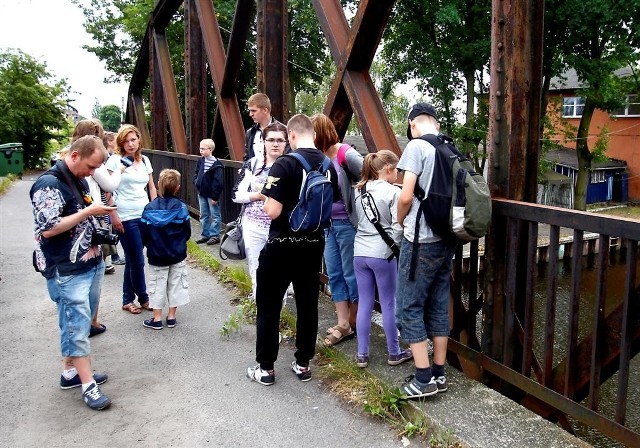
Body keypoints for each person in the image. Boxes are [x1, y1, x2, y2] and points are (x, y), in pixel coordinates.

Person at [246, 114, 339, 386]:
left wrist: (265, 197)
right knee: (308, 305)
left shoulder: (285, 164)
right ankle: (302, 364)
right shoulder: (327, 165)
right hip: (313, 245)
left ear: (293, 136)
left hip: (281, 245)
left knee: (269, 305)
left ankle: (265, 369)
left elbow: (272, 211)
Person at [30, 135, 114, 410]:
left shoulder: (74, 178)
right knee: (76, 323)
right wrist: (89, 211)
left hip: (87, 261)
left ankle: (70, 373)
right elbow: (49, 228)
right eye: (90, 167)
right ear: (75, 155)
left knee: (78, 319)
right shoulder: (49, 184)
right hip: (66, 266)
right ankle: (88, 384)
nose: (92, 174)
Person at [396, 103, 456, 398]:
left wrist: (399, 218)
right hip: (448, 238)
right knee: (437, 304)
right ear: (436, 122)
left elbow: (406, 195)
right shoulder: (450, 147)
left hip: (421, 241)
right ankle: (439, 373)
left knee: (410, 305)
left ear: (413, 125)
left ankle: (423, 380)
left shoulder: (417, 146)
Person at [353, 150, 412, 368]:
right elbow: (398, 228)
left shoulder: (359, 189)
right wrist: (395, 247)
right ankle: (394, 352)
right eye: (397, 169)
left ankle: (362, 354)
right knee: (388, 303)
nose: (398, 174)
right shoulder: (392, 192)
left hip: (359, 253)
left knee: (365, 302)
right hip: (382, 255)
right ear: (388, 168)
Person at [311, 113, 363, 347]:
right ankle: (343, 324)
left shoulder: (345, 154)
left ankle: (352, 323)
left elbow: (371, 176)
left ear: (320, 134)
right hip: (328, 225)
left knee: (352, 276)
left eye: (312, 134)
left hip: (348, 225)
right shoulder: (319, 158)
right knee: (334, 274)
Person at [105, 124, 158, 314]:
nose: (130, 144)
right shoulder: (115, 162)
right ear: (121, 143)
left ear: (138, 140)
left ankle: (127, 299)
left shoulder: (144, 160)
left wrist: (155, 209)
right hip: (125, 216)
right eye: (126, 141)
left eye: (133, 139)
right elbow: (107, 189)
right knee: (137, 260)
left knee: (133, 258)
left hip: (144, 214)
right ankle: (143, 297)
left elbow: (151, 187)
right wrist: (113, 215)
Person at [232, 122, 287, 299]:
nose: (275, 144)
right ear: (263, 141)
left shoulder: (290, 165)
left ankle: (278, 315)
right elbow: (235, 194)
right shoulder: (253, 164)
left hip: (281, 228)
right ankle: (261, 314)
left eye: (280, 140)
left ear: (287, 142)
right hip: (253, 226)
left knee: (280, 274)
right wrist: (258, 195)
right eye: (271, 140)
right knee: (256, 271)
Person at [140, 169, 191, 330]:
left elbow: (144, 233)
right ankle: (171, 317)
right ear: (177, 187)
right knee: (176, 283)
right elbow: (187, 232)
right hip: (177, 253)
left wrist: (150, 245)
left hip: (157, 255)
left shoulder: (149, 208)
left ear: (158, 185)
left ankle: (156, 318)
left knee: (157, 284)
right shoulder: (181, 208)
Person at [193, 139, 223, 245]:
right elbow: (196, 173)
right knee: (204, 214)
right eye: (200, 148)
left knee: (215, 215)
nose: (200, 151)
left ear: (210, 149)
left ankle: (214, 235)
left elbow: (218, 182)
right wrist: (196, 181)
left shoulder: (217, 164)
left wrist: (215, 197)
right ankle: (205, 235)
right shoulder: (201, 161)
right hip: (201, 192)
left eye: (203, 149)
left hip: (211, 194)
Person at [243, 93, 285, 162]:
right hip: (254, 172)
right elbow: (247, 158)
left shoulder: (283, 131)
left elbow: (288, 158)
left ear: (265, 110)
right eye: (250, 111)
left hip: (275, 172)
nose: (250, 114)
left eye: (254, 111)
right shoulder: (250, 133)